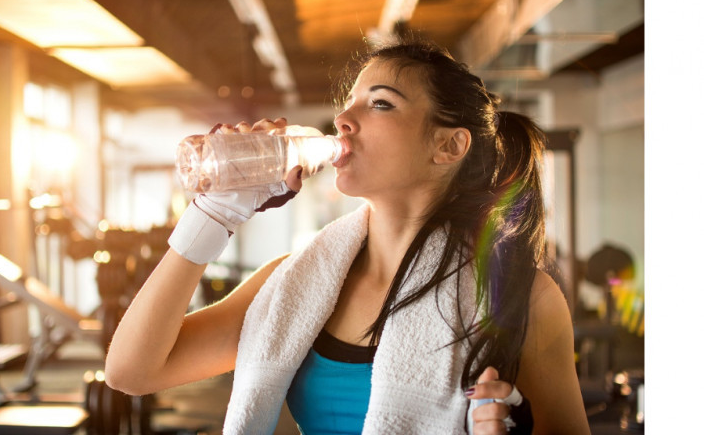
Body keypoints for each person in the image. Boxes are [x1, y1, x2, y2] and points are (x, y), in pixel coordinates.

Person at [105, 38, 590, 434]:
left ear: (448, 145)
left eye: (380, 103)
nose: (342, 120)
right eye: (348, 103)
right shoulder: (290, 284)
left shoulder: (517, 296)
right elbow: (131, 371)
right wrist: (213, 215)